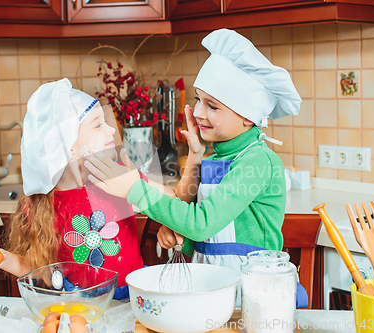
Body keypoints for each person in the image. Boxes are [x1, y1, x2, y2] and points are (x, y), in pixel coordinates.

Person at [84, 29, 307, 307]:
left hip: (255, 298)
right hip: (214, 289)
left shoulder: (258, 162)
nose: (198, 112)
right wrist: (182, 238)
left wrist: (134, 188)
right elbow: (207, 236)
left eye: (212, 106)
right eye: (199, 99)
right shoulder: (213, 161)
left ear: (248, 118)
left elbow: (202, 224)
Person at [0, 78, 145, 298]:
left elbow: (165, 201)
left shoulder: (119, 178)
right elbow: (38, 267)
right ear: (69, 148)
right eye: (98, 124)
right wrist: (6, 259)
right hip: (82, 309)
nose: (112, 129)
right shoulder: (42, 206)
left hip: (134, 300)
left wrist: (170, 226)